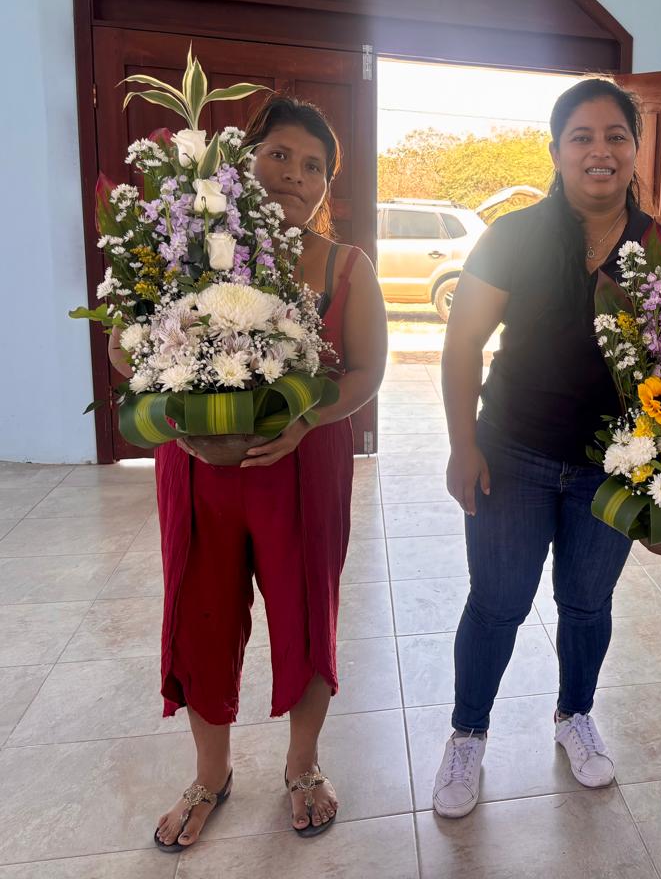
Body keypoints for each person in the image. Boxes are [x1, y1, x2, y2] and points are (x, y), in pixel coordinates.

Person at [107, 95, 388, 851]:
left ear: (326, 186)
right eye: (280, 155)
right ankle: (211, 774)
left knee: (306, 612)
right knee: (199, 613)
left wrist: (306, 420)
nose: (295, 175)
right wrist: (170, 393)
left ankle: (303, 764)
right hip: (197, 471)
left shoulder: (345, 266)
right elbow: (124, 348)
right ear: (242, 161)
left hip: (304, 466)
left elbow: (366, 372)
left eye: (314, 166)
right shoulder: (183, 249)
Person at [431, 78, 661, 818]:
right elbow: (462, 344)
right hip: (513, 453)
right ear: (556, 151)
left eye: (616, 136)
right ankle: (468, 733)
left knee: (586, 603)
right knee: (497, 603)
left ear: (635, 151)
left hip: (615, 468)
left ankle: (575, 714)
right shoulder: (513, 236)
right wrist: (461, 445)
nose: (599, 151)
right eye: (582, 137)